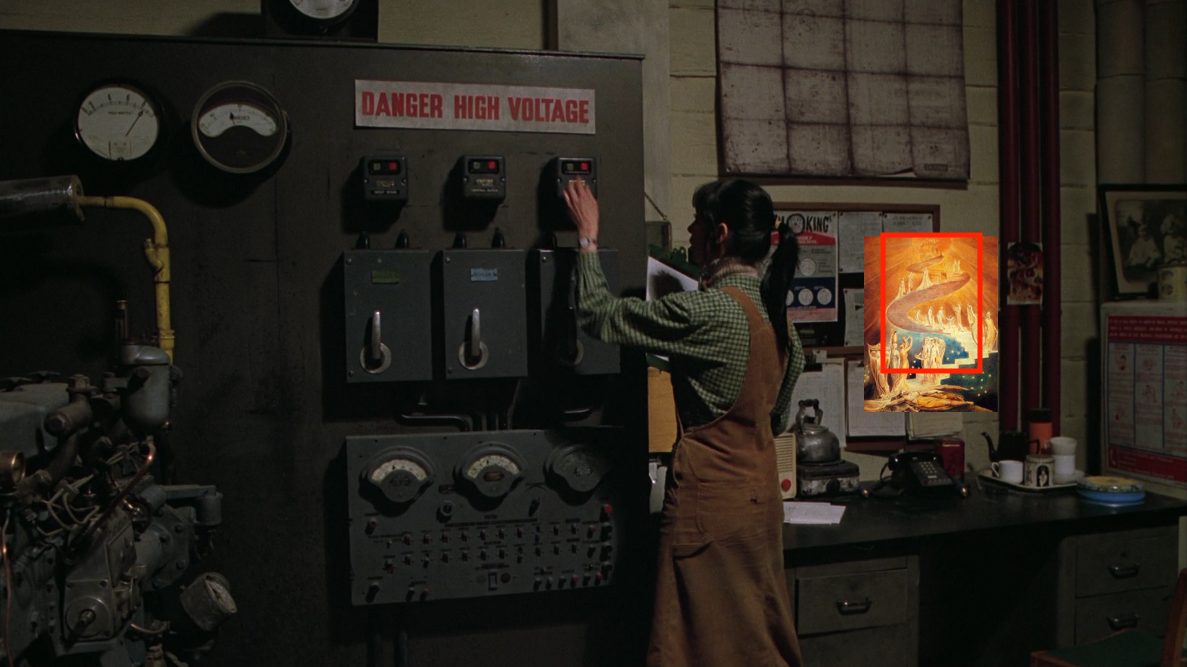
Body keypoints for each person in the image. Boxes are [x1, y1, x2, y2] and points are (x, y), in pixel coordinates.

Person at [564, 177, 805, 667]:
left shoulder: (710, 311)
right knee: (755, 646)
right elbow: (776, 416)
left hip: (708, 512)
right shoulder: (778, 318)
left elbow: (599, 315)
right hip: (760, 508)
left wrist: (587, 236)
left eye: (696, 222)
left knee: (692, 647)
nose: (689, 232)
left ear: (721, 234)